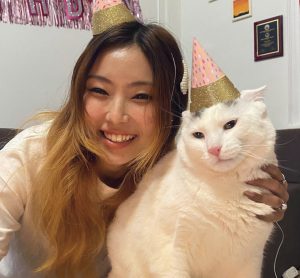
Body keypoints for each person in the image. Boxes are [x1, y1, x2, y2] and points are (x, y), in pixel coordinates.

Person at [0, 2, 289, 278]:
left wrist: (266, 192)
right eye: (100, 90)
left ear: (170, 107)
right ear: (79, 93)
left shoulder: (177, 165)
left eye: (141, 96)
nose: (116, 115)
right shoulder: (29, 156)